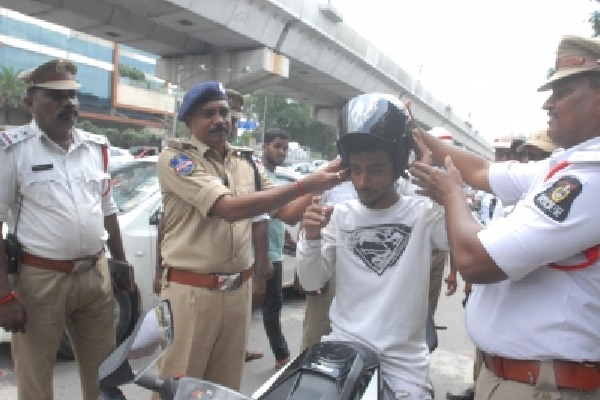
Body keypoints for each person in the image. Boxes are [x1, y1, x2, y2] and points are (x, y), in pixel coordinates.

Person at [410, 34, 600, 399]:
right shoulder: (565, 167)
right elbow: (481, 171)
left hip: (544, 385)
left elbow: (476, 262)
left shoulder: (589, 180)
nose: (549, 104)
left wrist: (452, 195)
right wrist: (413, 134)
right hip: (520, 379)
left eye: (563, 91)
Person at [155, 81, 344, 391]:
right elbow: (228, 208)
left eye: (224, 113)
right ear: (189, 121)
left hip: (235, 293)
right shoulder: (178, 160)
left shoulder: (247, 163)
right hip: (191, 292)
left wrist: (334, 169)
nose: (219, 120)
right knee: (180, 386)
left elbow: (288, 212)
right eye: (208, 114)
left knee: (224, 387)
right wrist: (305, 184)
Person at [297, 93, 448, 400]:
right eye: (355, 170)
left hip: (403, 370)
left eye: (376, 169)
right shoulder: (340, 216)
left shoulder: (424, 214)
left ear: (397, 167)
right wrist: (310, 237)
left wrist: (439, 189)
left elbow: (465, 242)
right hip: (341, 355)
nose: (363, 181)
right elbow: (312, 282)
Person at [0, 59, 128, 400]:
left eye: (71, 95)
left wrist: (122, 262)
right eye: (55, 97)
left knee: (104, 370)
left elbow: (107, 209)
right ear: (31, 103)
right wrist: (4, 296)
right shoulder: (12, 149)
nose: (68, 103)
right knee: (36, 373)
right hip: (39, 278)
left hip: (94, 275)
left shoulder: (96, 147)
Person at [226, 87, 267, 363]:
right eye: (215, 115)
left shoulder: (247, 164)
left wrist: (261, 268)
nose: (227, 124)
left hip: (235, 279)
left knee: (226, 367)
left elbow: (264, 215)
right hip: (193, 285)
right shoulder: (182, 161)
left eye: (233, 119)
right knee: (184, 373)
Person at [260, 128, 292, 369]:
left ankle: (238, 349)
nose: (281, 151)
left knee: (260, 304)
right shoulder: (256, 175)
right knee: (273, 305)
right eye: (277, 146)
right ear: (265, 146)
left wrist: (288, 235)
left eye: (284, 148)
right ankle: (282, 355)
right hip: (261, 253)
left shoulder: (277, 178)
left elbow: (279, 215)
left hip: (274, 250)